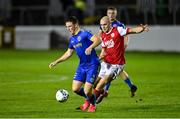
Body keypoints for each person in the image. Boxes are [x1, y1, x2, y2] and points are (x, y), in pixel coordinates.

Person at [49, 16, 101, 112]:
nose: (68, 29)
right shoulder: (72, 39)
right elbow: (68, 53)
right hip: (82, 66)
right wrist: (56, 61)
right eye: (67, 27)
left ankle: (92, 104)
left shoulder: (85, 33)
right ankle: (90, 99)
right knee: (75, 89)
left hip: (93, 64)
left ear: (76, 25)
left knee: (86, 90)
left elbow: (98, 40)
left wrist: (90, 47)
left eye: (70, 26)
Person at [94, 16, 149, 104]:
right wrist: (98, 58)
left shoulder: (118, 30)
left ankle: (90, 104)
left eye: (105, 24)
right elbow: (103, 51)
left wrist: (141, 28)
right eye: (101, 25)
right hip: (106, 63)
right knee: (95, 84)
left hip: (117, 64)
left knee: (101, 83)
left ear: (109, 24)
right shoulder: (103, 35)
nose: (103, 27)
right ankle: (102, 93)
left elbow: (132, 31)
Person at [94, 6, 138, 98]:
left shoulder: (119, 25)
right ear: (107, 14)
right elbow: (101, 34)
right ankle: (131, 86)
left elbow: (126, 35)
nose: (111, 15)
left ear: (116, 14)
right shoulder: (104, 22)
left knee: (113, 70)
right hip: (107, 49)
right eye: (109, 13)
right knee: (118, 71)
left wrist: (124, 46)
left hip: (116, 50)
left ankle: (105, 90)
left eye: (113, 13)